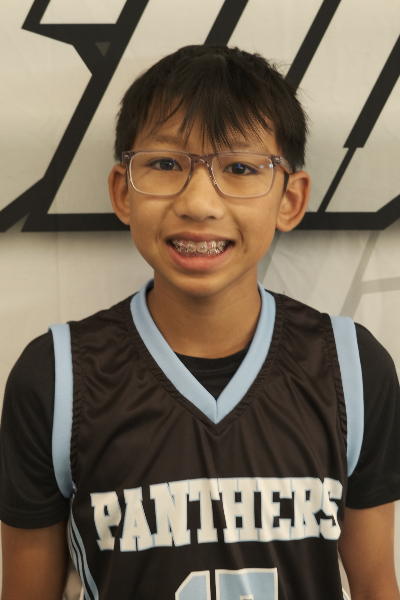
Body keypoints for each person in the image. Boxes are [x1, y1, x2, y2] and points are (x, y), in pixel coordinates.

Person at [1, 44, 399, 600]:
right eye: (166, 164)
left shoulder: (352, 368)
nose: (199, 203)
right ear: (122, 191)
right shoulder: (56, 377)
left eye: (240, 168)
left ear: (290, 199)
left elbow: (377, 583)